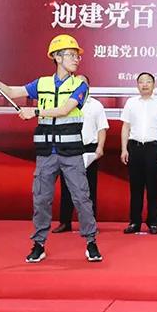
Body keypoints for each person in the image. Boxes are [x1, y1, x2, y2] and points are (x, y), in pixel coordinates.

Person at [0, 34, 101, 264]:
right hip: (46, 153)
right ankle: (39, 244)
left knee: (82, 198)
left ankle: (91, 242)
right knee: (41, 199)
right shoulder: (41, 84)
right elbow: (11, 92)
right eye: (71, 55)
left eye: (77, 56)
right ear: (57, 57)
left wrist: (34, 112)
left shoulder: (80, 85)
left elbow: (65, 110)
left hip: (72, 153)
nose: (76, 59)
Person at [53, 78, 108, 234]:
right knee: (66, 187)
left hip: (89, 149)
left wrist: (100, 147)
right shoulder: (66, 103)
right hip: (68, 147)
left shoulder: (96, 105)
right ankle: (65, 222)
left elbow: (102, 128)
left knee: (89, 189)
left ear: (88, 86)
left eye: (83, 83)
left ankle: (90, 224)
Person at [120, 72, 157, 234]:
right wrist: (124, 149)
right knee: (135, 187)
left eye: (148, 81)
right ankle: (134, 222)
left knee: (153, 187)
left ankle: (153, 222)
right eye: (141, 82)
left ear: (153, 85)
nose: (145, 84)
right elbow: (125, 127)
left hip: (153, 148)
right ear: (137, 85)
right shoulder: (131, 102)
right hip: (134, 147)